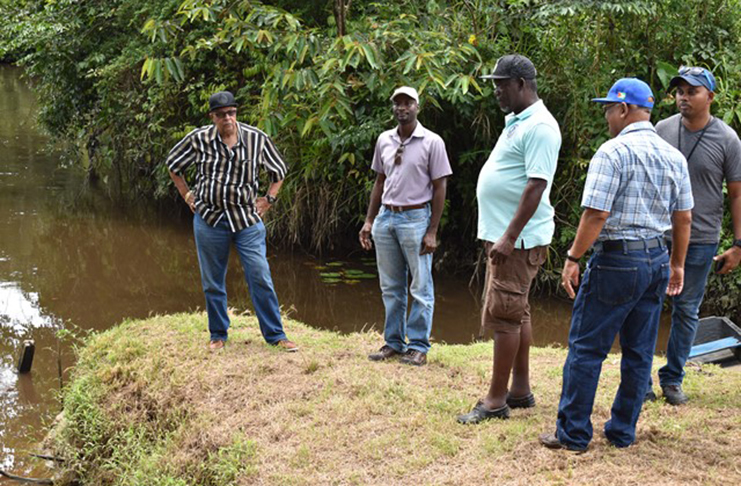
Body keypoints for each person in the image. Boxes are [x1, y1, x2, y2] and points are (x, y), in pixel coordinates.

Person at [540, 78, 693, 451]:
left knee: (587, 347)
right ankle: (622, 431)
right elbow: (684, 218)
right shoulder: (673, 156)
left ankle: (573, 434)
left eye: (608, 108)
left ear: (624, 109)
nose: (607, 116)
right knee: (640, 351)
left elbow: (596, 214)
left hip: (618, 260)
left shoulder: (613, 152)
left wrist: (573, 258)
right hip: (657, 258)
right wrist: (677, 265)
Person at [458, 54, 561, 424]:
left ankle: (495, 401)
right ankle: (519, 390)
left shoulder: (541, 127)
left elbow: (536, 185)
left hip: (516, 242)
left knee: (504, 316)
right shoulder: (519, 120)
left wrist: (508, 237)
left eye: (502, 83)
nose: (497, 90)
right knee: (518, 311)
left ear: (521, 84)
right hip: (505, 237)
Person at [167, 90, 298, 352]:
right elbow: (173, 164)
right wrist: (187, 195)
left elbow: (279, 171)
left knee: (259, 274)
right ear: (212, 117)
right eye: (221, 114)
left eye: (231, 112)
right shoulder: (199, 138)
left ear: (236, 113)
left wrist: (268, 200)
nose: (227, 118)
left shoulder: (256, 138)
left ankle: (276, 335)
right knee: (213, 280)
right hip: (209, 218)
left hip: (246, 219)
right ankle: (218, 334)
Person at [647, 66, 741, 405]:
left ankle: (672, 379)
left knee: (686, 310)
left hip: (701, 239)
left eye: (692, 91)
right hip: (658, 235)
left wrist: (738, 245)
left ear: (711, 97)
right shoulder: (661, 129)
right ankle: (641, 380)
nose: (683, 97)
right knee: (647, 305)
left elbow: (736, 194)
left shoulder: (728, 139)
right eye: (679, 91)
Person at [359, 86, 452, 366]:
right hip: (386, 218)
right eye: (397, 103)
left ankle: (419, 346)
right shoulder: (384, 140)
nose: (402, 108)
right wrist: (369, 220)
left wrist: (432, 230)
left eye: (407, 103)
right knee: (391, 286)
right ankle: (394, 342)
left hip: (415, 218)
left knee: (420, 285)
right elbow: (379, 181)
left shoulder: (432, 142)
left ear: (417, 107)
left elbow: (440, 186)